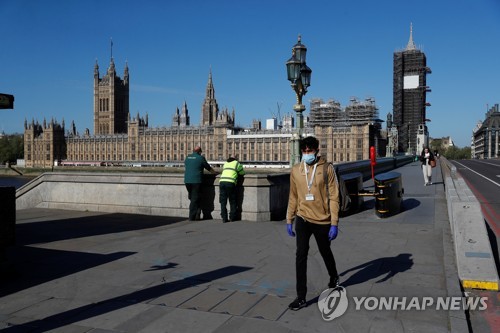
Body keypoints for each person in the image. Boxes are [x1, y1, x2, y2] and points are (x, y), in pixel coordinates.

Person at [286, 136, 340, 311]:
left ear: (317, 150)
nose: (307, 154)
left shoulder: (327, 169)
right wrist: (289, 218)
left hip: (322, 219)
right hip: (302, 218)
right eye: (304, 151)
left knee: (325, 251)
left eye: (310, 151)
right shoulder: (295, 170)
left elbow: (334, 197)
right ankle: (301, 296)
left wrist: (334, 223)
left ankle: (333, 276)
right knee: (300, 255)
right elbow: (293, 196)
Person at [184, 146, 218, 220]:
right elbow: (207, 167)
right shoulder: (200, 158)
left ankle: (197, 215)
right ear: (199, 151)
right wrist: (214, 172)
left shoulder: (187, 158)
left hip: (187, 181)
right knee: (194, 198)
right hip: (196, 180)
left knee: (192, 197)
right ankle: (191, 217)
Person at [219, 156, 245, 223]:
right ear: (235, 159)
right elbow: (242, 173)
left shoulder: (225, 163)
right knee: (232, 200)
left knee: (223, 201)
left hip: (222, 182)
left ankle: (224, 218)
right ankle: (232, 217)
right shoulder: (236, 163)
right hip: (230, 183)